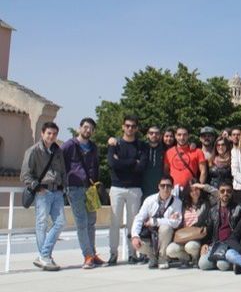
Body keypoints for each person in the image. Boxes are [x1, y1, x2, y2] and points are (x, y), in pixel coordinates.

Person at [20, 121, 66, 271]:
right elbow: (25, 175)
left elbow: (63, 171)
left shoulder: (58, 151)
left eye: (54, 134)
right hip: (43, 192)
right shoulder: (33, 151)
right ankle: (46, 258)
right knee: (41, 224)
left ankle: (43, 256)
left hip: (58, 191)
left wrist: (63, 187)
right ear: (42, 133)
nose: (51, 136)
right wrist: (37, 187)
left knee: (60, 222)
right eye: (49, 133)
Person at [61, 117, 103, 269]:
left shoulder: (93, 147)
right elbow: (60, 162)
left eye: (91, 128)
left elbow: (96, 166)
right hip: (75, 188)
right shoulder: (69, 145)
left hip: (90, 188)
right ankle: (87, 255)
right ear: (79, 128)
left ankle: (92, 252)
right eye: (85, 127)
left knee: (91, 222)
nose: (88, 130)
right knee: (81, 223)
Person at [108, 114, 147, 265]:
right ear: (123, 126)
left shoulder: (141, 146)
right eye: (127, 125)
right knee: (114, 224)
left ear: (136, 128)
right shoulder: (115, 144)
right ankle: (113, 254)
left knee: (133, 224)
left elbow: (141, 167)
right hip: (117, 187)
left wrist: (122, 162)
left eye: (133, 126)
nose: (130, 128)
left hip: (134, 188)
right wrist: (132, 161)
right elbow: (112, 164)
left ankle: (132, 254)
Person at [130, 174, 183, 269]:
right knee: (137, 244)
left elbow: (176, 222)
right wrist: (135, 236)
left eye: (168, 186)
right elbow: (139, 218)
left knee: (165, 228)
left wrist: (155, 221)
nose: (165, 188)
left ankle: (163, 258)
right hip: (150, 234)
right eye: (163, 186)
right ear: (158, 186)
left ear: (172, 187)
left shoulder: (177, 202)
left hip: (166, 237)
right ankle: (153, 258)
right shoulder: (150, 200)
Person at [198, 181, 241, 271]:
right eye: (222, 191)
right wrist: (204, 244)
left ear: (232, 193)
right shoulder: (213, 210)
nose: (225, 193)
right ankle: (216, 260)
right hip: (216, 244)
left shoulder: (239, 209)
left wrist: (239, 248)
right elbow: (208, 230)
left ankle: (222, 261)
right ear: (218, 193)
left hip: (230, 246)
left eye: (228, 191)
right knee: (203, 264)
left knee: (223, 265)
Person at [166, 182, 214, 268]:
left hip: (197, 236)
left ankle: (195, 258)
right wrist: (173, 216)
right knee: (170, 250)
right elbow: (174, 216)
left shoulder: (206, 204)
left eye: (196, 189)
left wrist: (203, 186)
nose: (194, 192)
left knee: (190, 246)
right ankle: (186, 258)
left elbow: (217, 194)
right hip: (183, 235)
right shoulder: (183, 204)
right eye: (191, 190)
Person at [142, 126, 166, 200]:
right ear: (147, 135)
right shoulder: (141, 147)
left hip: (159, 190)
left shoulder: (165, 149)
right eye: (151, 133)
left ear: (160, 135)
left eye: (156, 133)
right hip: (142, 190)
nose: (154, 135)